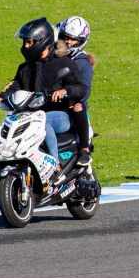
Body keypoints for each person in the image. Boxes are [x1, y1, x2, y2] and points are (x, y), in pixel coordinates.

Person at [0, 18, 89, 193]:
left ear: (43, 41)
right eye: (25, 42)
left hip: (59, 116)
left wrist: (65, 92)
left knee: (43, 123)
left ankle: (55, 168)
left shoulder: (63, 63)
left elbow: (80, 88)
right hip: (31, 114)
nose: (26, 46)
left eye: (30, 42)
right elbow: (15, 86)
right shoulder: (25, 68)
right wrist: (1, 97)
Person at [55, 15, 95, 168]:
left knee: (78, 105)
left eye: (73, 40)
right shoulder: (53, 55)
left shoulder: (82, 62)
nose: (68, 42)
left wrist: (66, 92)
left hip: (72, 104)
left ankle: (84, 149)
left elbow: (84, 90)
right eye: (66, 37)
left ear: (81, 42)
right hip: (52, 102)